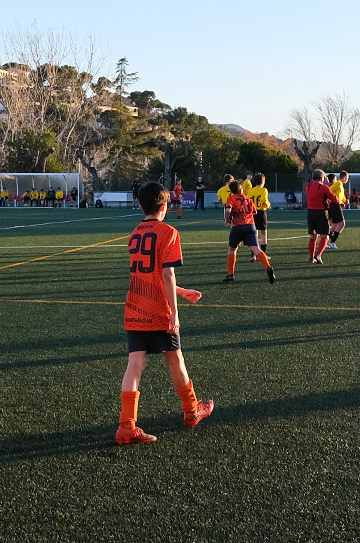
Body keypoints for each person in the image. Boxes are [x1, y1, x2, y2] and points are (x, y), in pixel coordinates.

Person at [116, 182, 214, 444]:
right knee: (175, 359)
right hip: (159, 310)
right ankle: (192, 411)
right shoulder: (168, 232)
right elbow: (167, 273)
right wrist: (174, 313)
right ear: (166, 206)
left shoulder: (134, 233)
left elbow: (149, 274)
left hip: (135, 307)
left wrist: (181, 291)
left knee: (134, 366)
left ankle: (126, 426)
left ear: (140, 205)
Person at [222, 181, 276, 284]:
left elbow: (228, 210)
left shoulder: (231, 198)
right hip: (250, 226)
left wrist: (227, 220)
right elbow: (254, 212)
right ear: (241, 189)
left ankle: (230, 274)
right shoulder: (248, 199)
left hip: (238, 227)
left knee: (232, 249)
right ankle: (268, 267)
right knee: (256, 249)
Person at [305, 170, 340, 264]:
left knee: (313, 236)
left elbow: (312, 183)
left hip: (310, 213)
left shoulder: (308, 186)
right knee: (325, 237)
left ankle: (311, 257)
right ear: (322, 178)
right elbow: (333, 198)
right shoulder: (324, 187)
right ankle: (318, 255)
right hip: (321, 213)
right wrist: (340, 201)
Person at [246, 173, 272, 253]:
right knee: (263, 232)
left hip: (252, 212)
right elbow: (264, 200)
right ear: (263, 181)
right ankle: (263, 253)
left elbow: (248, 200)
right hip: (261, 212)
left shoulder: (251, 190)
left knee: (254, 232)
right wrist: (268, 204)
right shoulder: (264, 190)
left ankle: (254, 253)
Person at [326, 171, 349, 249]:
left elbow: (341, 197)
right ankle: (332, 242)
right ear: (345, 178)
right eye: (347, 178)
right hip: (335, 205)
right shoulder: (338, 183)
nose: (347, 180)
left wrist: (346, 200)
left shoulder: (341, 185)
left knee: (335, 225)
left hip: (335, 205)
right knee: (342, 223)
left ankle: (325, 241)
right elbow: (329, 190)